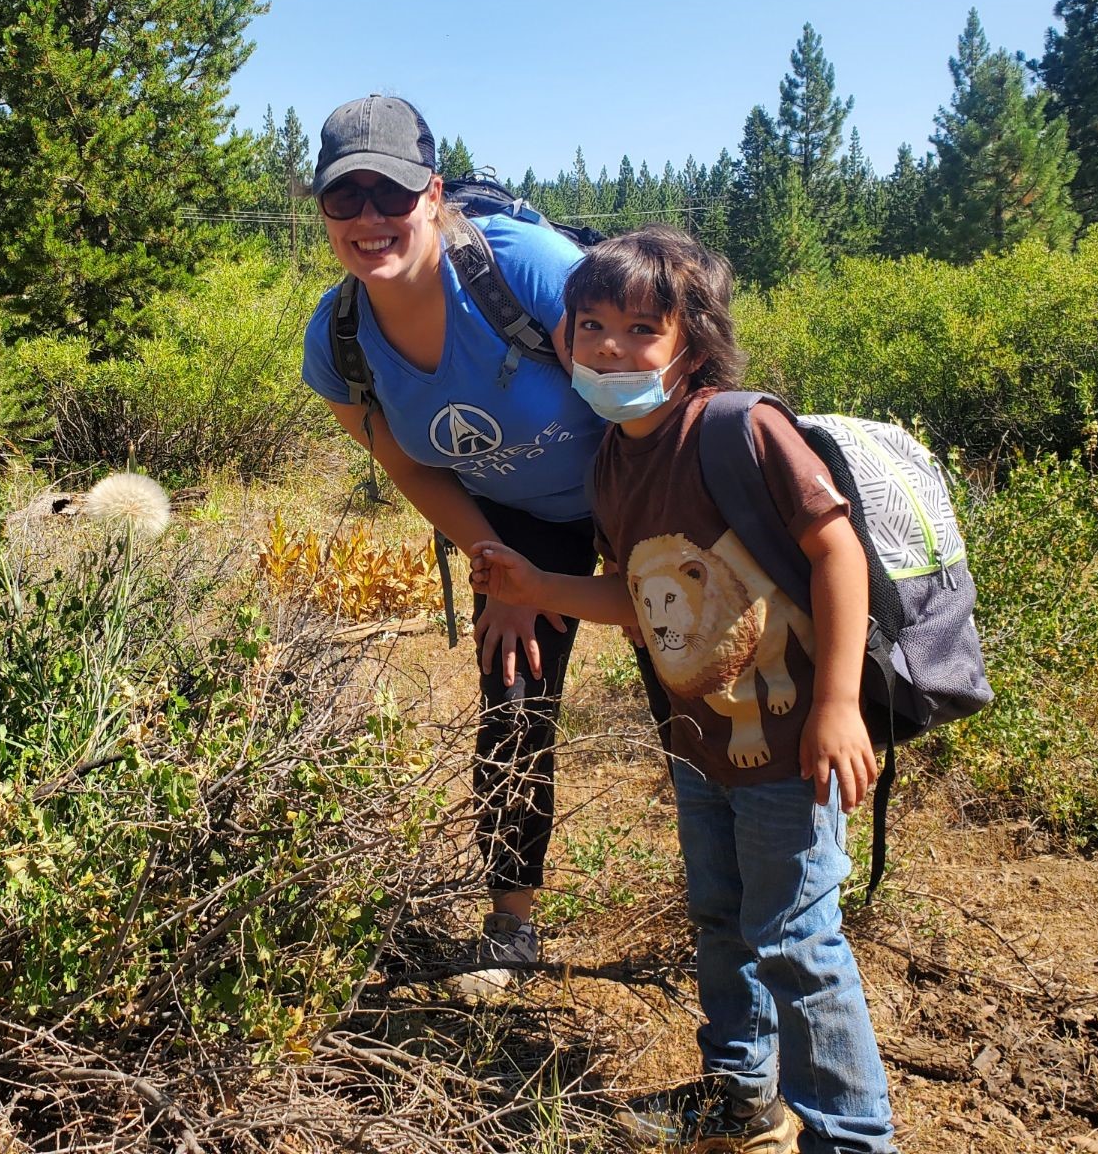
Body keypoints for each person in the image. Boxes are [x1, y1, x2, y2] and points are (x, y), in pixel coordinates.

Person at [467, 225, 896, 1154]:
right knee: (721, 918)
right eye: (589, 328)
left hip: (792, 739)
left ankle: (851, 1137)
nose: (609, 348)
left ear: (691, 345)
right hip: (701, 737)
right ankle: (742, 1095)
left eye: (638, 329)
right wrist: (536, 587)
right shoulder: (613, 462)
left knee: (796, 942)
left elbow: (836, 548)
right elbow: (641, 591)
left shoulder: (742, 428)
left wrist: (836, 705)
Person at [299, 94, 606, 980]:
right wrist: (499, 569)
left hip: (632, 487)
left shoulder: (526, 271)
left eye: (390, 195)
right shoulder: (339, 338)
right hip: (512, 519)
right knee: (512, 705)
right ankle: (512, 926)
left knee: (693, 689)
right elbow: (406, 462)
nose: (369, 219)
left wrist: (637, 558)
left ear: (432, 194)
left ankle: (744, 911)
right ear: (320, 209)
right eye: (343, 198)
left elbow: (640, 399)